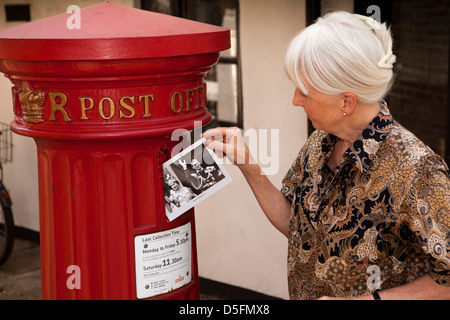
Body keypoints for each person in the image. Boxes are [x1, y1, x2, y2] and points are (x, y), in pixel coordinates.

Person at [202, 11, 450, 300]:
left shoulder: (417, 169)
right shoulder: (319, 142)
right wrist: (249, 166)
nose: (295, 100)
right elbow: (298, 230)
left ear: (346, 101)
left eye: (305, 92)